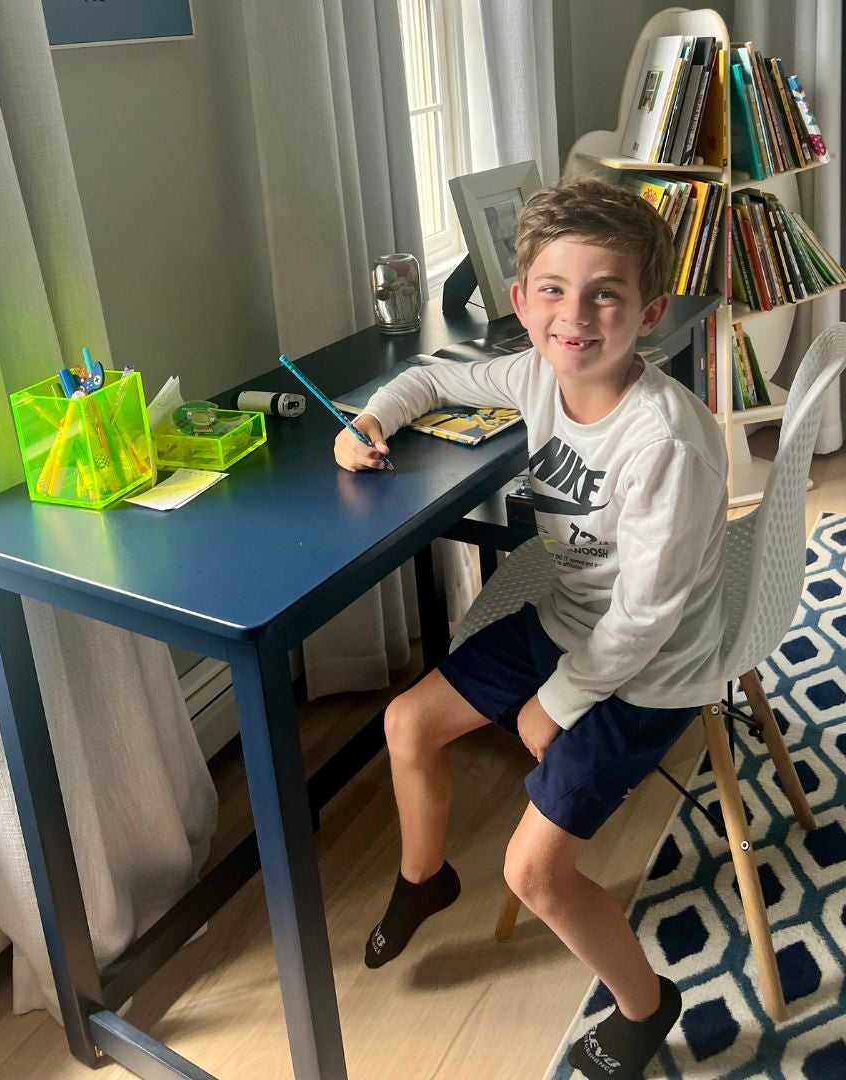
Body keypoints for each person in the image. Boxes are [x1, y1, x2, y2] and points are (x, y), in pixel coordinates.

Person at [336, 179, 727, 1079]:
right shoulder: (534, 372)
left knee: (536, 874)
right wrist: (366, 422)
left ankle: (643, 1007)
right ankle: (425, 878)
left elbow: (650, 616)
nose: (575, 315)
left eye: (605, 294)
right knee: (407, 723)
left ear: (651, 311)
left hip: (654, 667)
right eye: (552, 290)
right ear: (520, 302)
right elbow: (432, 376)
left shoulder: (664, 440)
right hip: (573, 612)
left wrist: (553, 702)